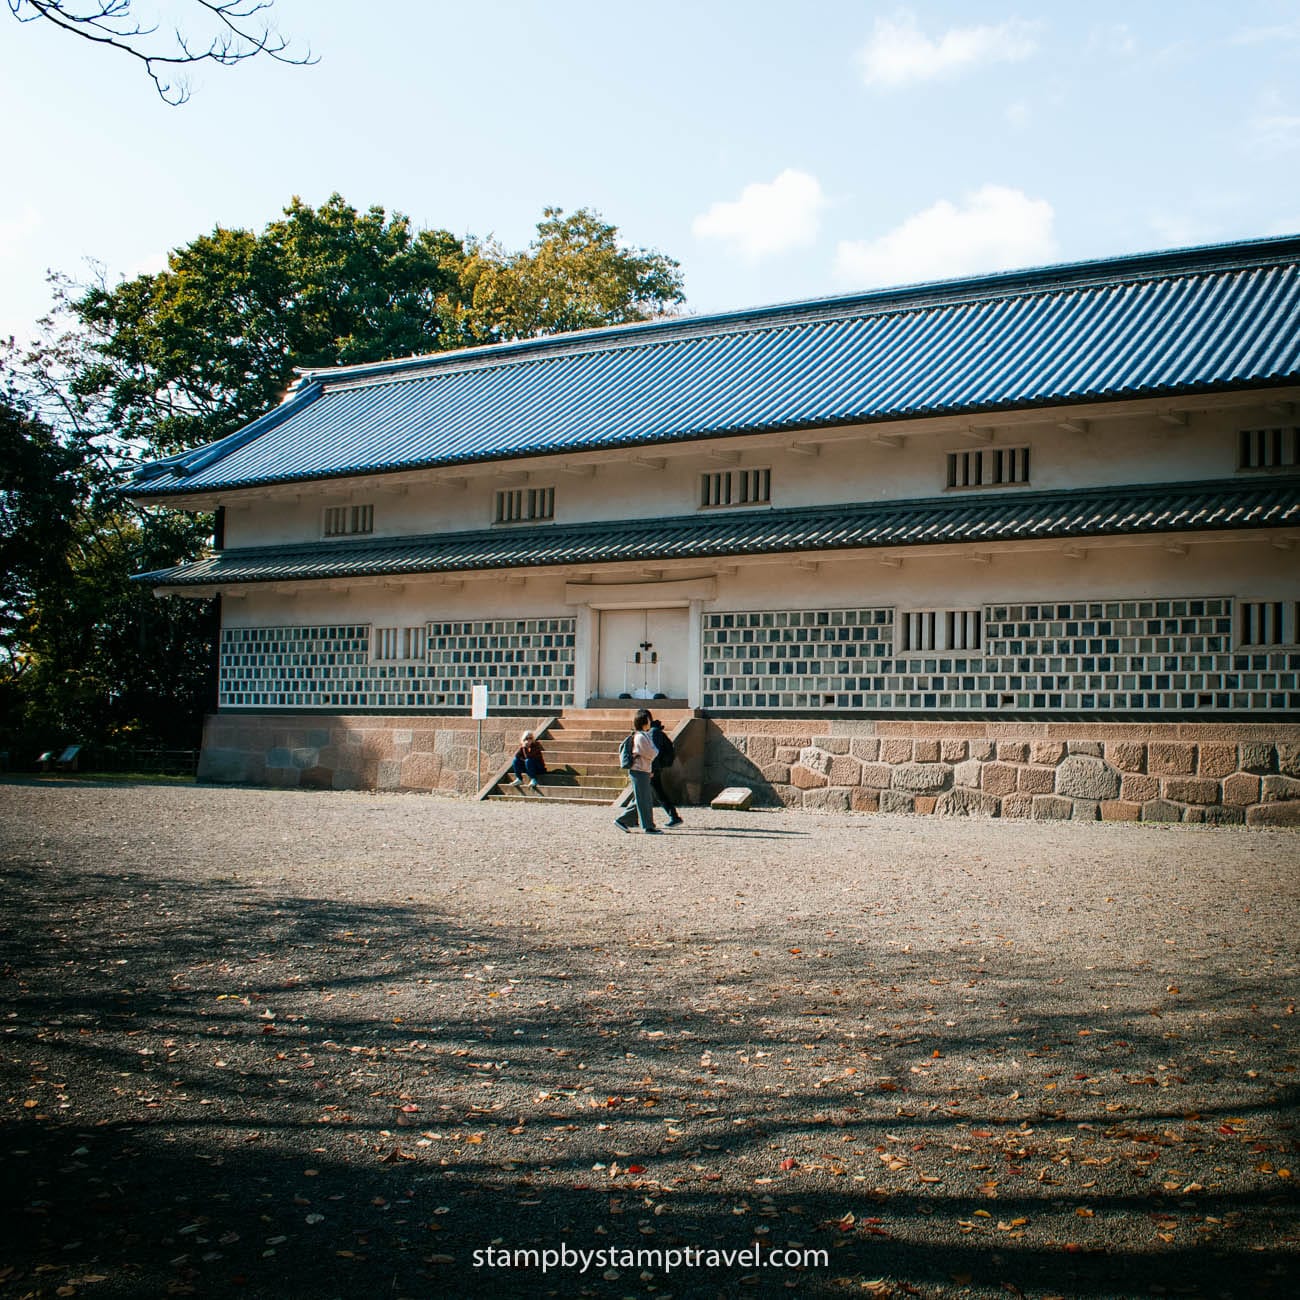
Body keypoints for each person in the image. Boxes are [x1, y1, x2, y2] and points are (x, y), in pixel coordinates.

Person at [614, 709, 660, 833]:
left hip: (642, 770)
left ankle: (624, 820)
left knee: (641, 798)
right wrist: (655, 751)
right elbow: (651, 753)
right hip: (639, 770)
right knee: (644, 799)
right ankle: (647, 826)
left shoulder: (643, 735)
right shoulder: (640, 737)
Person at [648, 716, 683, 827]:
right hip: (654, 767)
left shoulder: (653, 732)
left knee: (657, 793)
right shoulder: (653, 731)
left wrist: (652, 769)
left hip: (653, 768)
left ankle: (674, 816)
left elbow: (654, 752)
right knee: (656, 793)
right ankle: (673, 816)